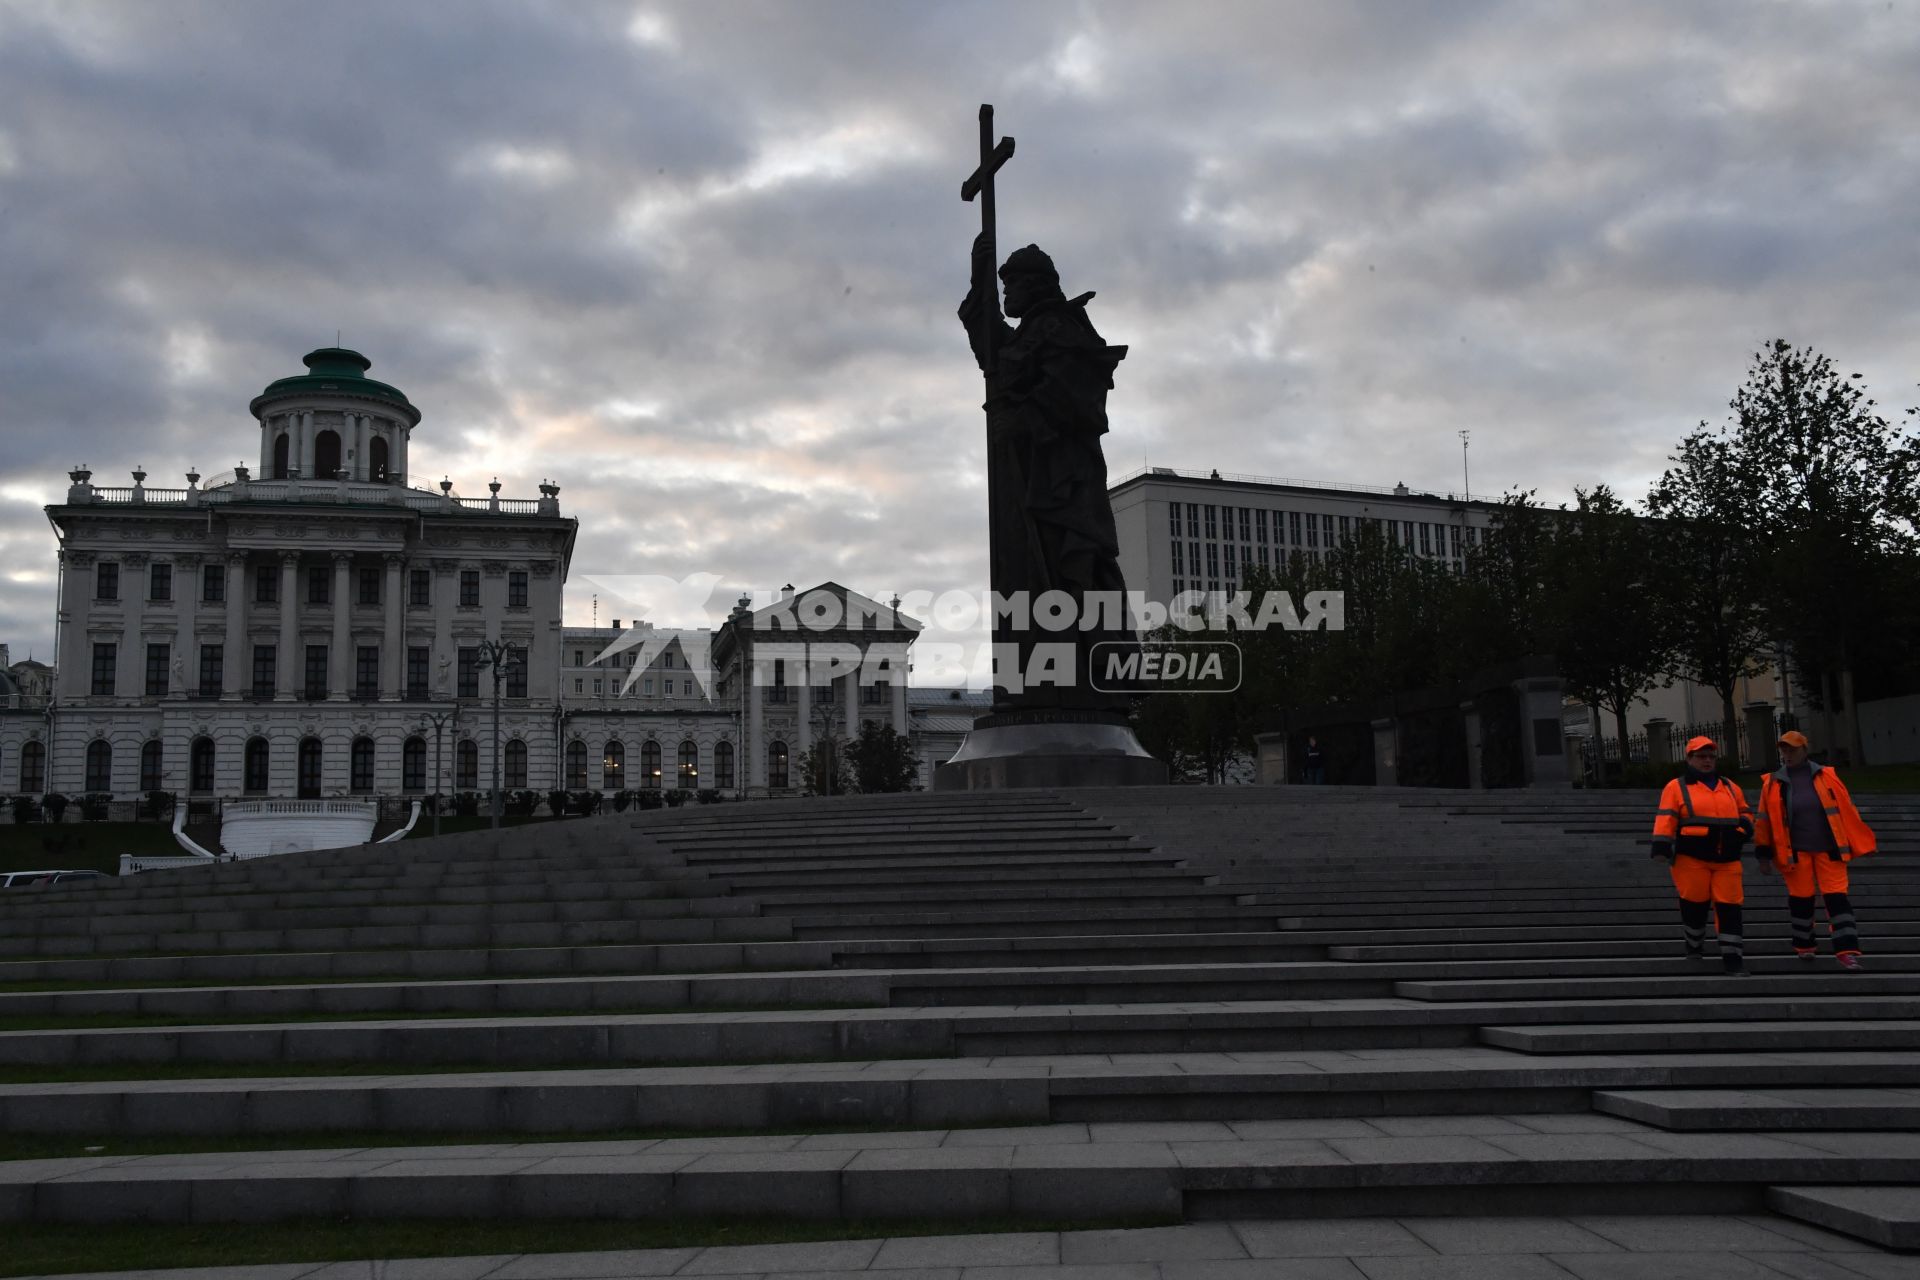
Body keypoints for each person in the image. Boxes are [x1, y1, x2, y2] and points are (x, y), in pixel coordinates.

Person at [1753, 729, 1875, 971]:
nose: (1787, 754)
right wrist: (1763, 854)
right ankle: (1804, 945)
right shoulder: (1772, 783)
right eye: (1784, 750)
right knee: (1801, 901)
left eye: (1792, 749)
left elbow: (1846, 810)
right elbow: (1763, 820)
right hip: (1795, 852)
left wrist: (1858, 841)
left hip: (1829, 850)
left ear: (1804, 751)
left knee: (1837, 899)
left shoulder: (1826, 776)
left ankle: (1846, 950)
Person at [1650, 735, 1756, 974]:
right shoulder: (1676, 787)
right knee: (1694, 905)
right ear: (1689, 759)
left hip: (1727, 859)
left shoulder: (1730, 786)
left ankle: (1732, 959)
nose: (1707, 761)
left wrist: (1742, 831)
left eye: (1711, 756)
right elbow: (1666, 816)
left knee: (1730, 907)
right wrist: (1661, 845)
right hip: (1691, 859)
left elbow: (1746, 814)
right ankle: (1694, 944)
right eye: (1701, 756)